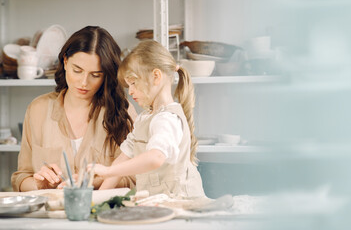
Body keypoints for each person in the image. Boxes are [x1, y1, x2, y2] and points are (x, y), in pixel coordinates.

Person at [11, 26, 137, 192]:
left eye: (96, 75)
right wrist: (40, 184)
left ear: (107, 74)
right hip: (52, 214)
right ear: (65, 61)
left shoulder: (122, 112)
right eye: (77, 70)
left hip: (104, 214)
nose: (84, 82)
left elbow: (136, 178)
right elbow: (21, 178)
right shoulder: (38, 109)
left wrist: (94, 181)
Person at [89, 40, 206, 199]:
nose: (130, 91)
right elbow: (122, 161)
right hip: (158, 205)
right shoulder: (145, 118)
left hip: (181, 206)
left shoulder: (167, 119)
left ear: (156, 77)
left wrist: (107, 171)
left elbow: (155, 158)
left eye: (134, 83)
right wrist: (95, 200)